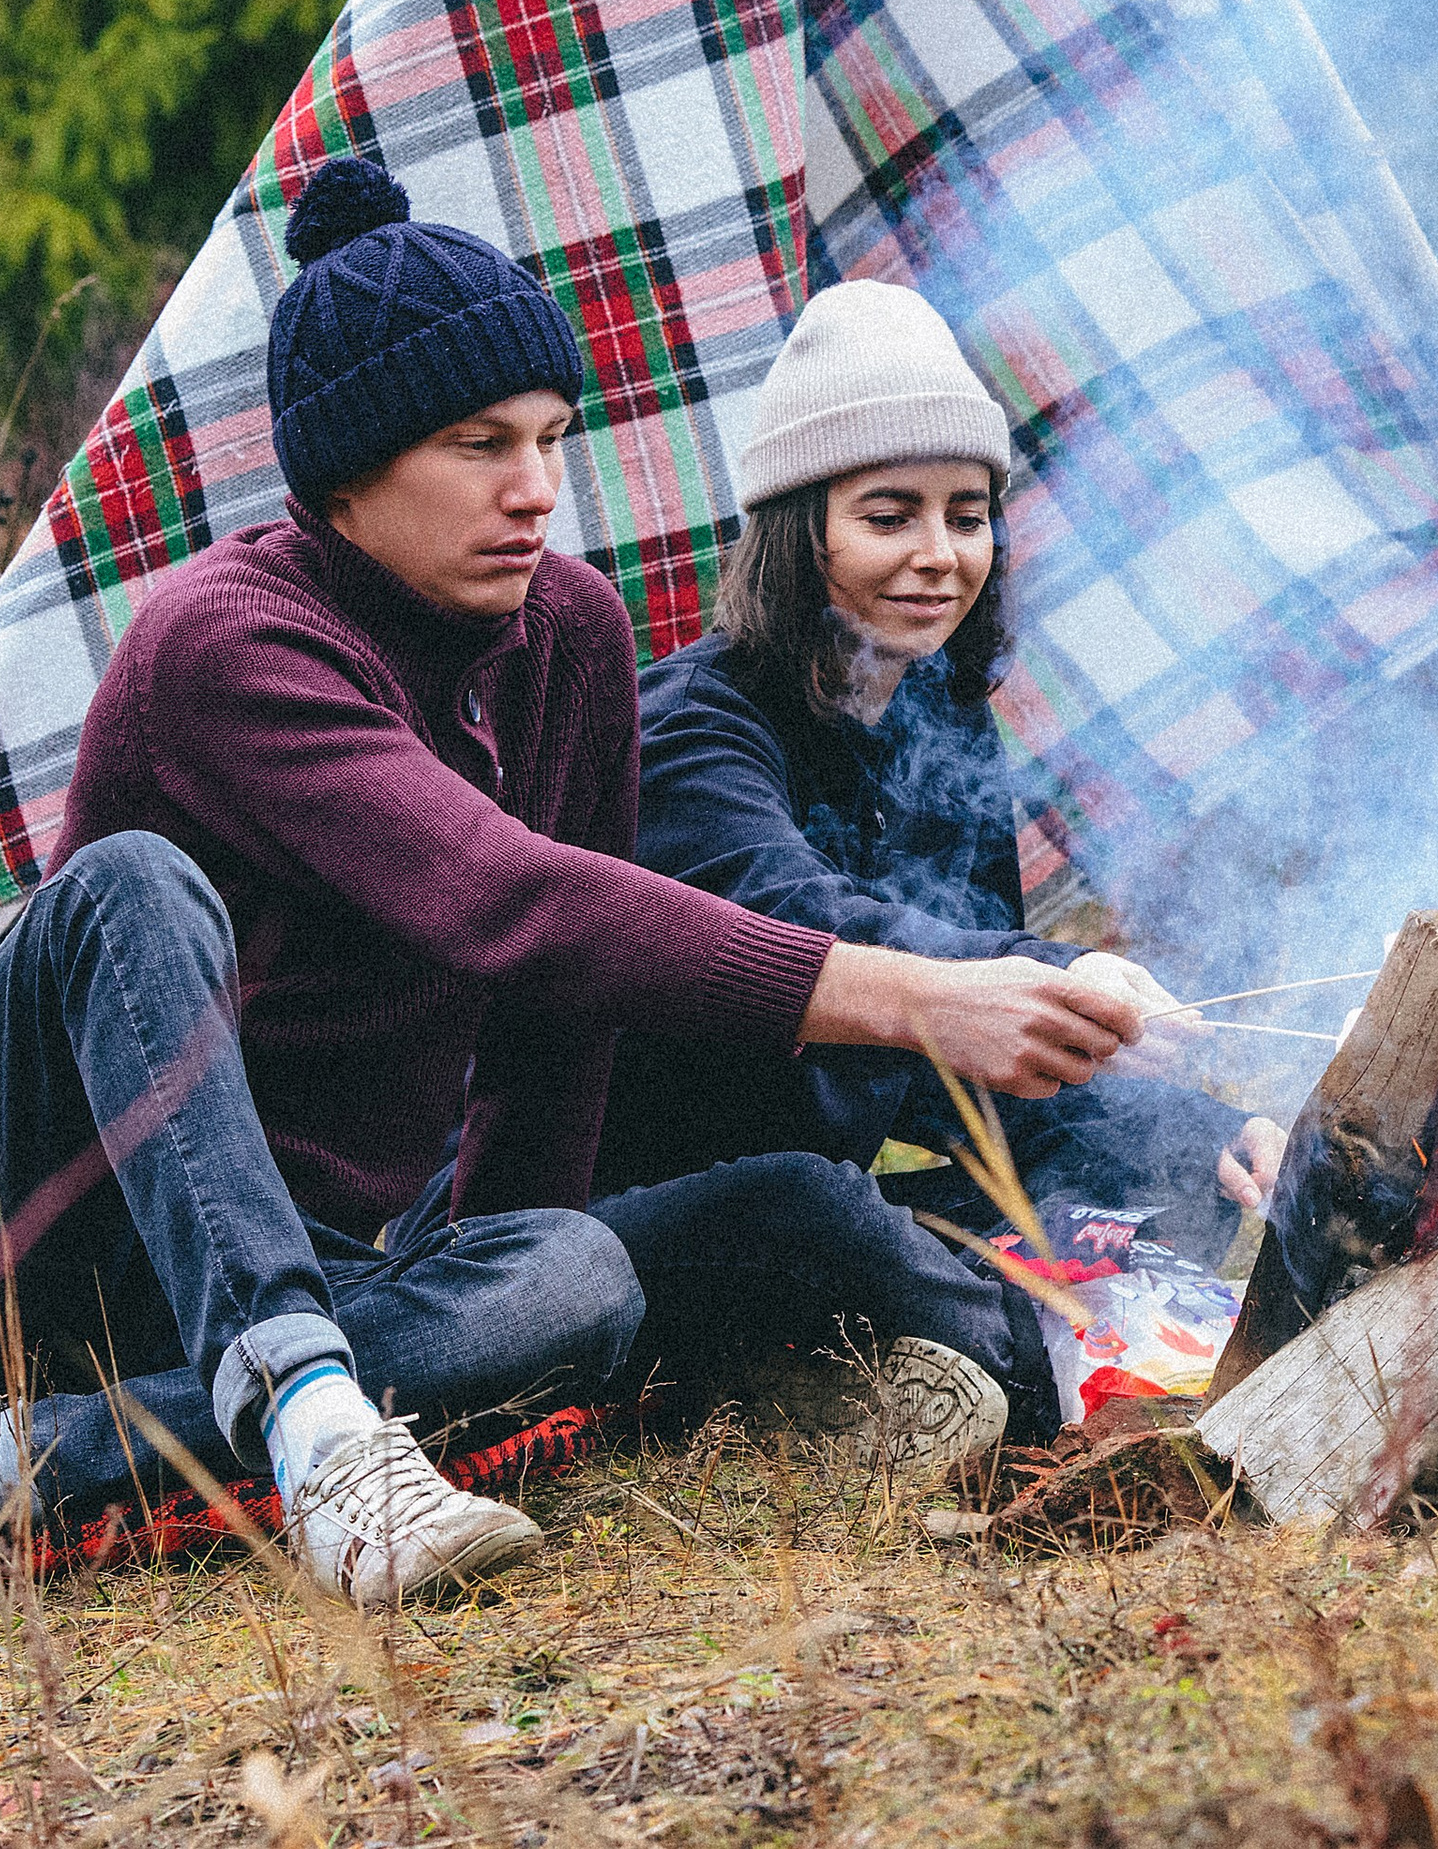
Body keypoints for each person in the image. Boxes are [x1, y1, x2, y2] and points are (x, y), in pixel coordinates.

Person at [7, 163, 1145, 1602]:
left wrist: (520, 1270)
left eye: (552, 436)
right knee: (129, 885)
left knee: (589, 1272)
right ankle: (313, 1428)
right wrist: (916, 1000)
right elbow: (509, 898)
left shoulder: (570, 636)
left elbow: (552, 1026)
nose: (538, 489)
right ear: (344, 475)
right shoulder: (224, 642)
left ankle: (92, 1450)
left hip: (340, 1264)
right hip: (73, 1232)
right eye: (481, 444)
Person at [588, 280, 1286, 1442]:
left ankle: (909, 1359)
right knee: (811, 1207)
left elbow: (961, 1082)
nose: (938, 556)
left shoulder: (946, 726)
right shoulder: (687, 729)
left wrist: (1193, 1134)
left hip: (843, 1204)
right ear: (798, 529)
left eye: (966, 515)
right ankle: (1005, 1368)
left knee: (1178, 1181)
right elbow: (801, 919)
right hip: (647, 1216)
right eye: (889, 514)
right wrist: (1041, 967)